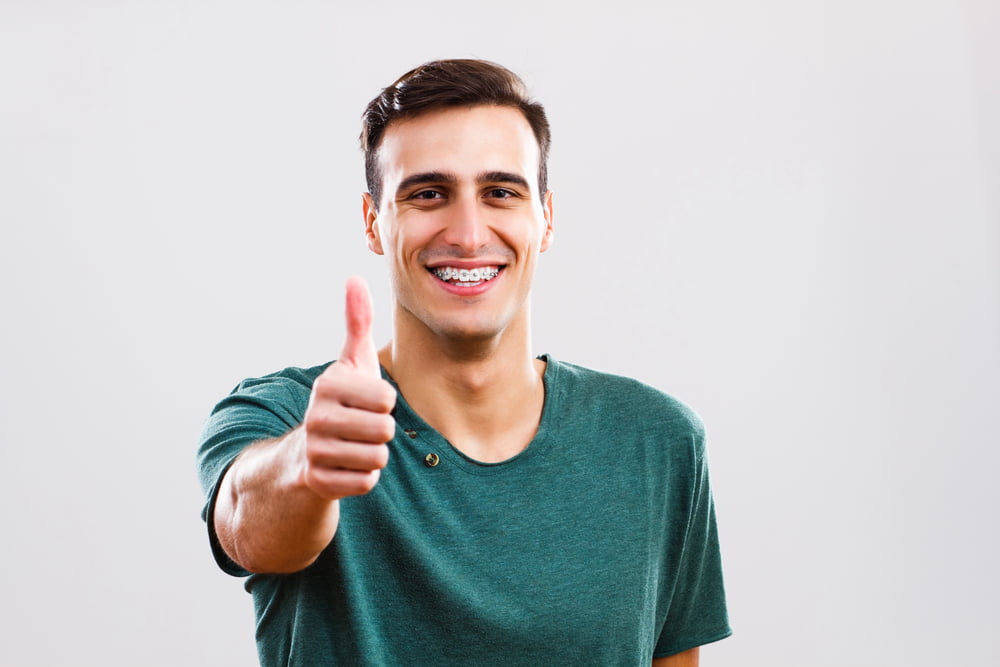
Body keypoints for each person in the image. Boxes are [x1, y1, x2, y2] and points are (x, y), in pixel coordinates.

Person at [197, 59, 731, 666]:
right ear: (375, 222)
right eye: (429, 194)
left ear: (546, 218)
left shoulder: (656, 440)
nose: (470, 233)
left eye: (500, 192)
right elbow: (246, 523)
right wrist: (306, 465)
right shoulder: (290, 416)